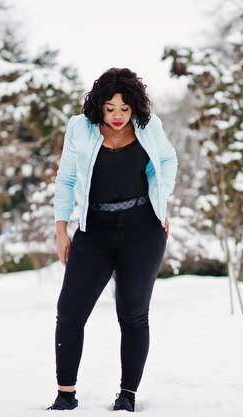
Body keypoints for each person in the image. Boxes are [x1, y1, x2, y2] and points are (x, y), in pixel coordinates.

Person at [46, 68, 178, 412]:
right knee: (69, 311)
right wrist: (61, 228)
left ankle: (127, 395)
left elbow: (167, 160)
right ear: (98, 108)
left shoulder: (149, 126)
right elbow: (66, 178)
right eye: (110, 108)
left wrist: (160, 202)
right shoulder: (80, 128)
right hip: (95, 230)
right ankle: (65, 395)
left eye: (124, 108)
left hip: (143, 229)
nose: (118, 116)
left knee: (133, 313)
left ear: (134, 106)